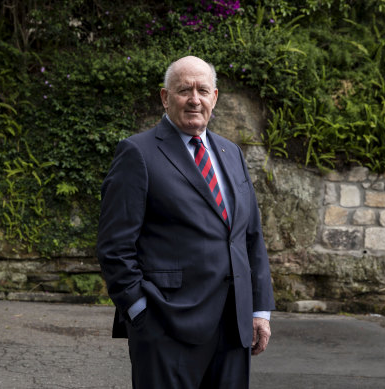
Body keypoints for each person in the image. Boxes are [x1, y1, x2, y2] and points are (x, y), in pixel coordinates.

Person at [97, 56, 275, 389]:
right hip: (167, 326)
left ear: (215, 97)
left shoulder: (231, 153)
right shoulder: (137, 153)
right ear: (165, 97)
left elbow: (250, 237)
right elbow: (114, 246)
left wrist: (259, 310)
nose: (195, 99)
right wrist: (139, 312)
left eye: (203, 90)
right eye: (184, 90)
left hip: (233, 328)